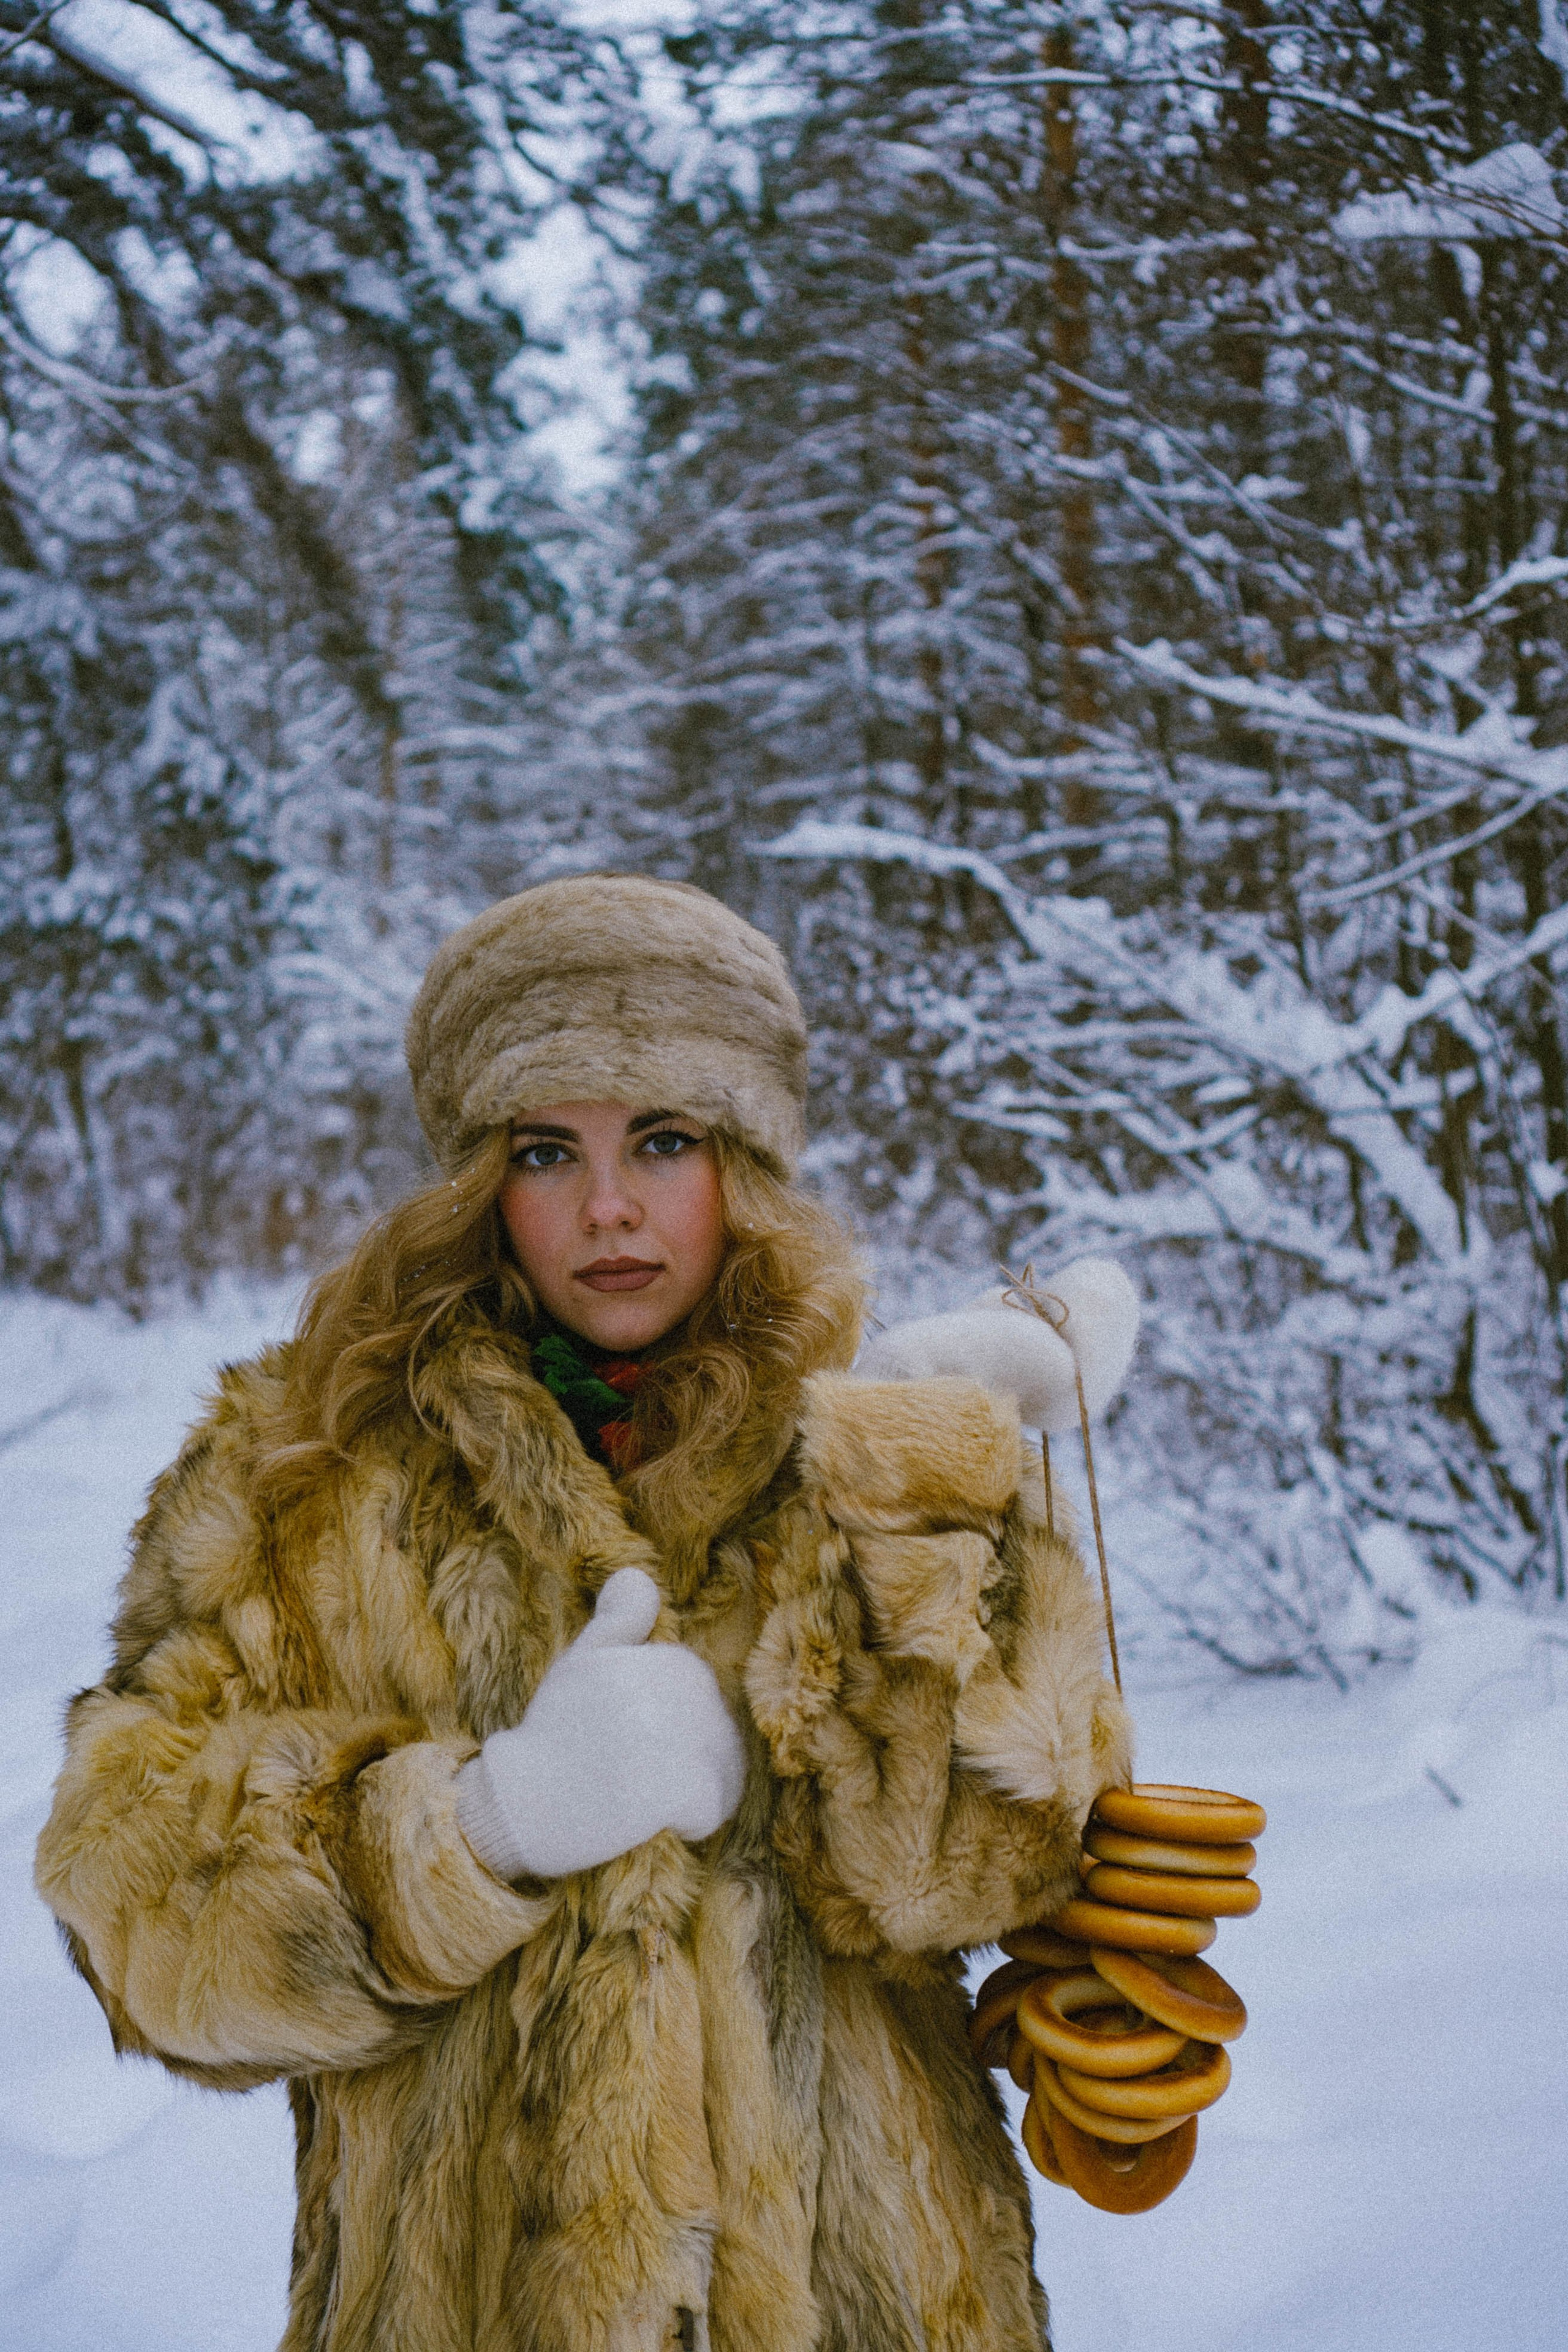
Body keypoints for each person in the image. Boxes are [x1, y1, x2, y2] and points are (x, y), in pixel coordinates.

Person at [35, 875, 1137, 2352]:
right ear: (478, 1179)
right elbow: (134, 1908)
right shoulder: (302, 1472)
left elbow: (979, 1870)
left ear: (740, 1163)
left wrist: (926, 1495)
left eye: (663, 1142)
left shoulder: (857, 1458)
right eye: (548, 1150)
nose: (608, 1207)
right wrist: (479, 1826)